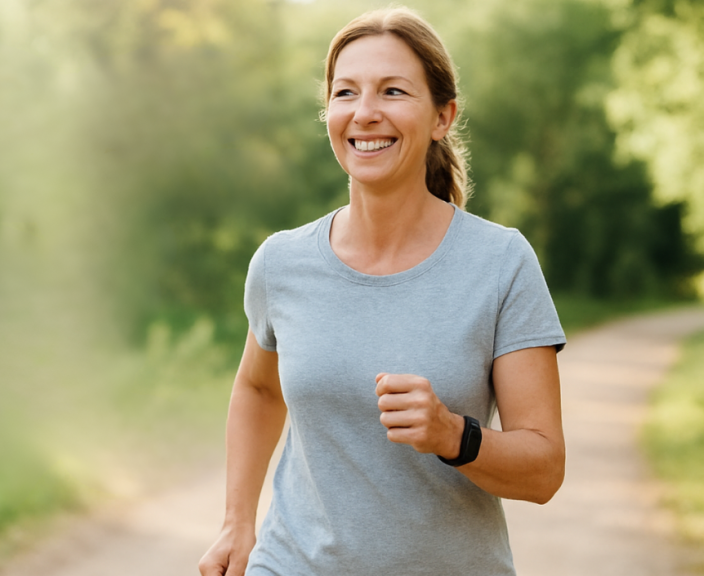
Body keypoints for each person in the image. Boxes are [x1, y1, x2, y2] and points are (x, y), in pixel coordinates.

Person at [199, 7, 566, 576]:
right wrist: (236, 521)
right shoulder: (282, 262)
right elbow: (258, 389)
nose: (365, 113)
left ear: (443, 117)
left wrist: (452, 434)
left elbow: (543, 469)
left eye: (392, 91)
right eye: (346, 93)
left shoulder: (500, 263)